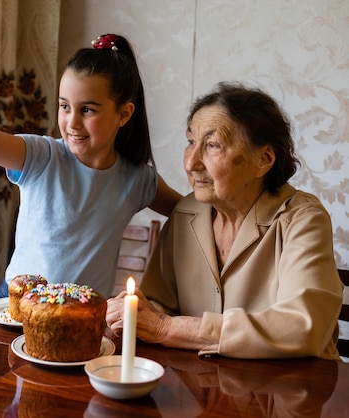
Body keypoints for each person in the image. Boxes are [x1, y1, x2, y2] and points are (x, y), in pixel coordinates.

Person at [0, 34, 182, 298]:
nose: (72, 122)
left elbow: (188, 212)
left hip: (82, 318)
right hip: (17, 305)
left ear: (124, 114)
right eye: (65, 106)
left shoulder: (138, 180)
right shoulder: (42, 157)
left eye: (87, 109)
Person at [106, 82, 343, 360]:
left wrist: (166, 328)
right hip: (208, 389)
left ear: (263, 159)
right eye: (191, 142)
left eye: (212, 145)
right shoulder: (186, 213)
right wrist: (134, 314)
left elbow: (304, 327)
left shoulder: (302, 219)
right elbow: (158, 303)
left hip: (292, 391)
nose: (191, 163)